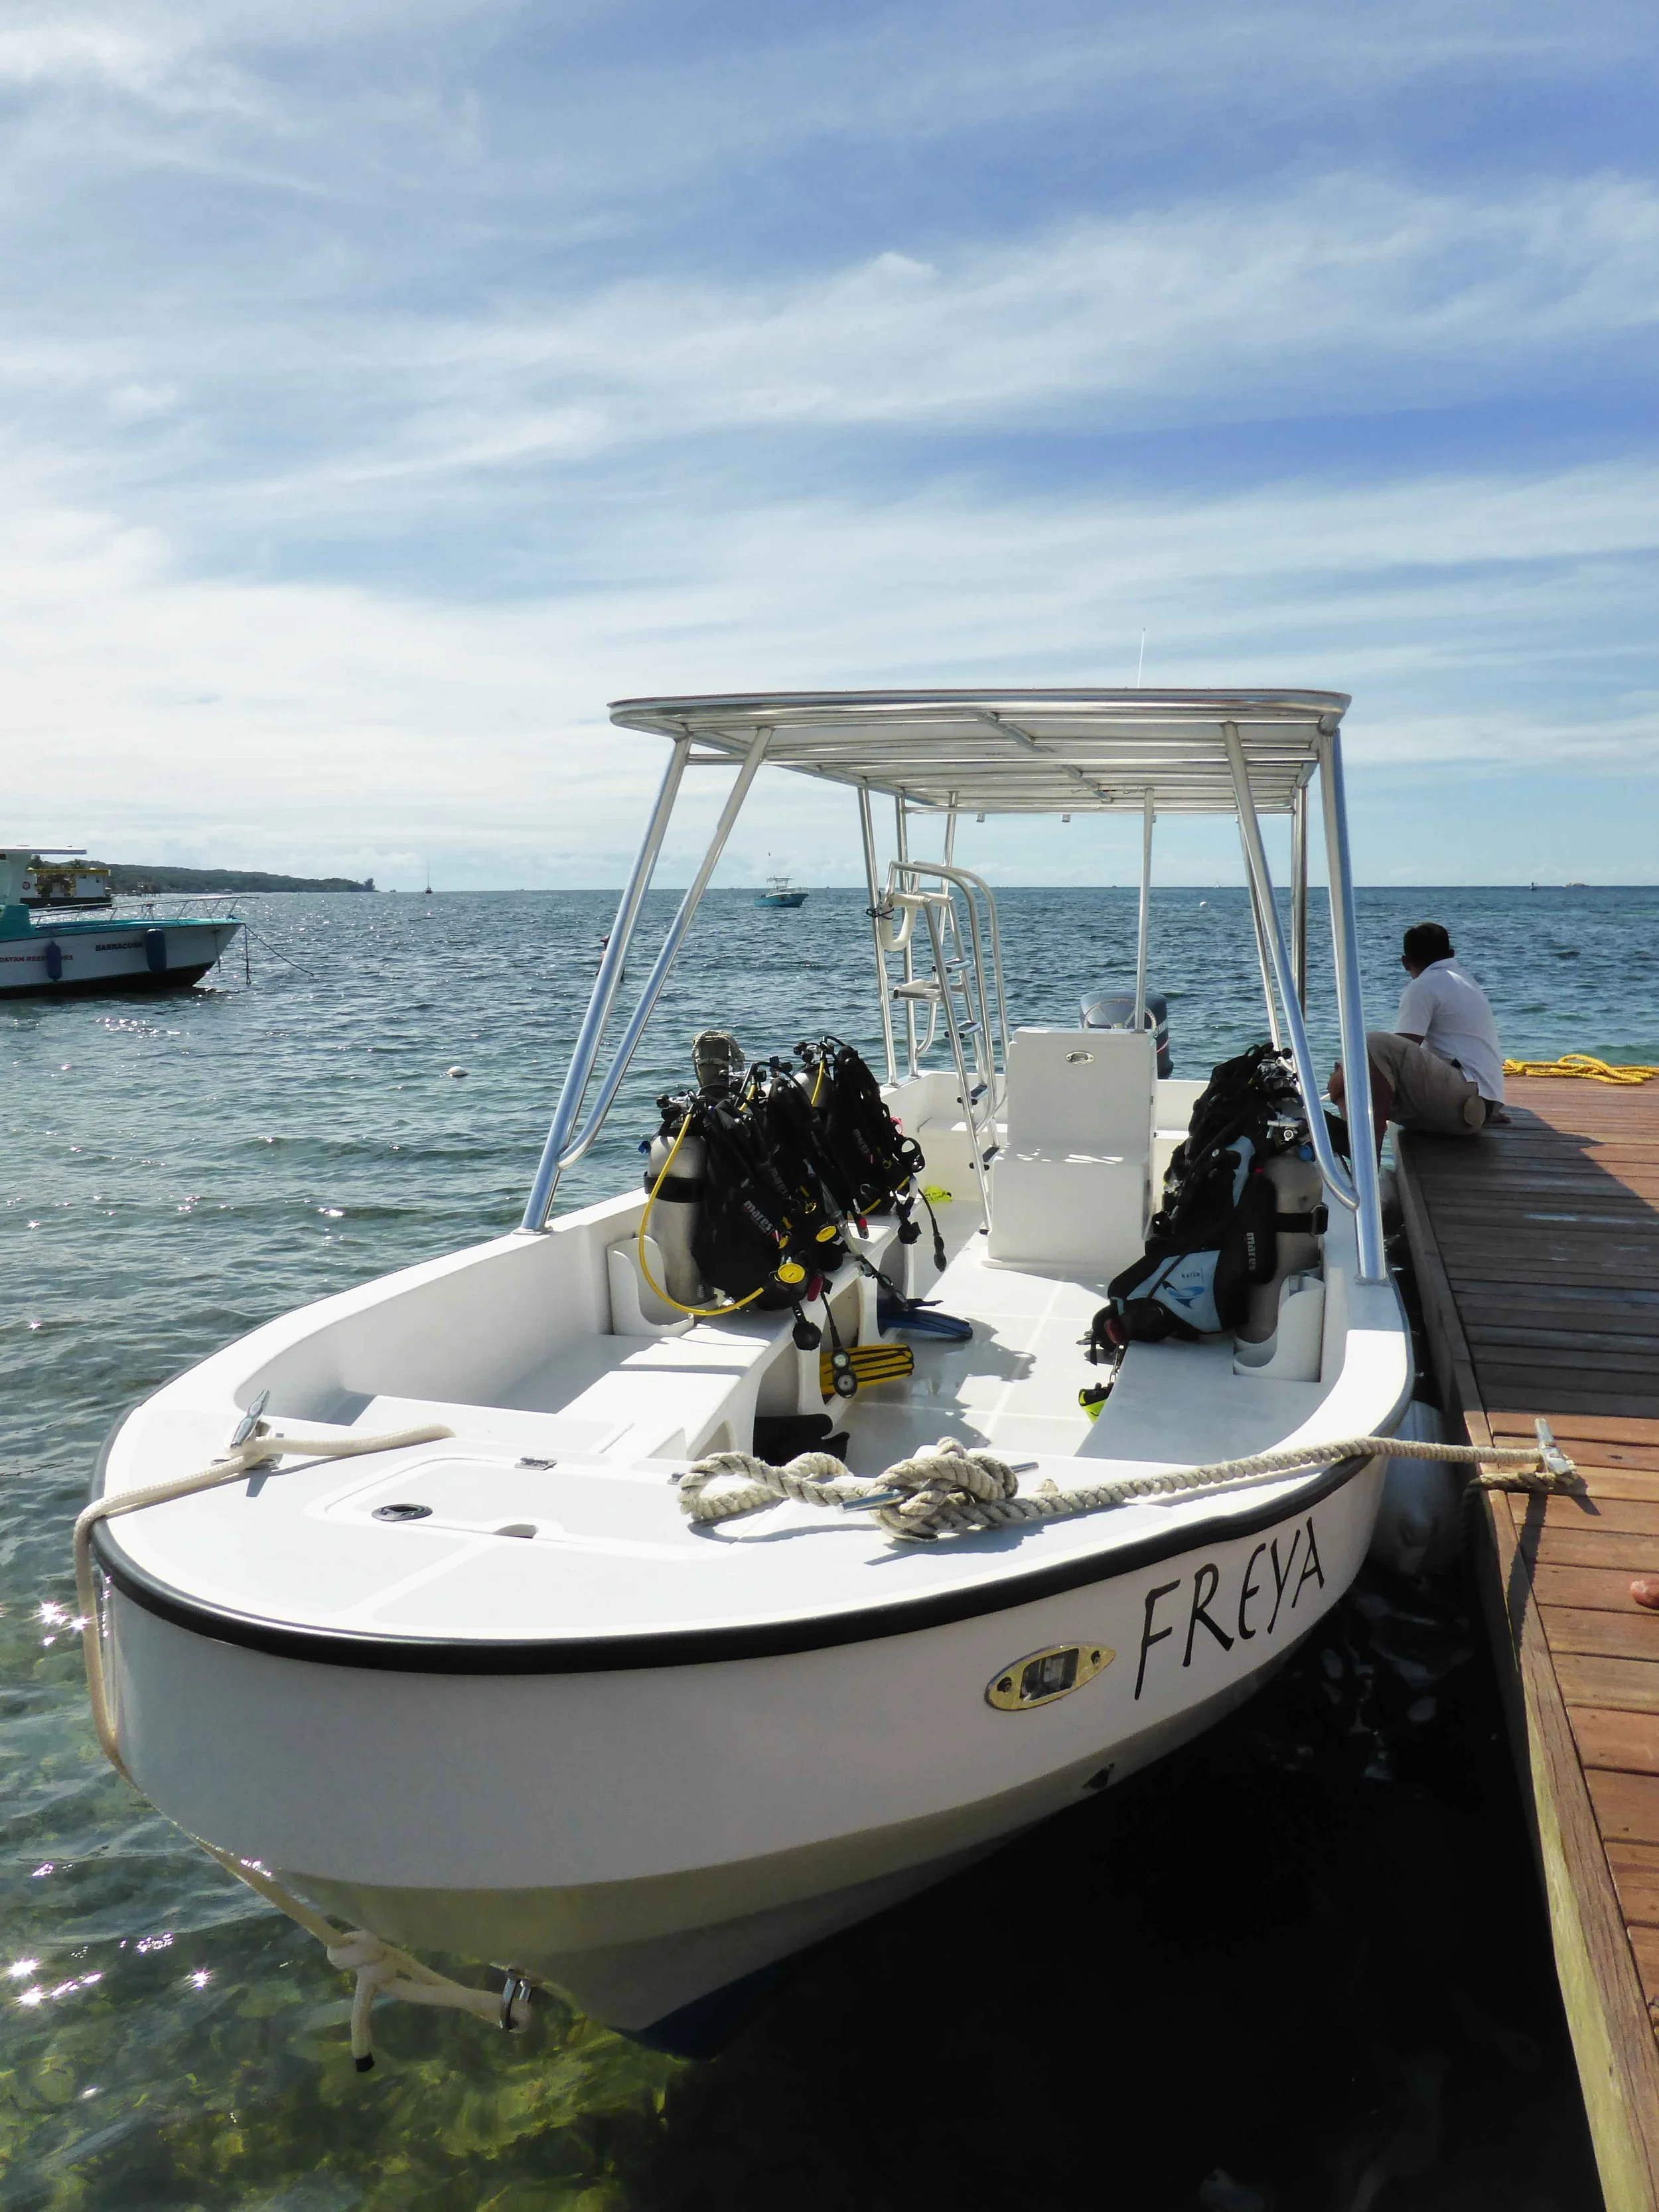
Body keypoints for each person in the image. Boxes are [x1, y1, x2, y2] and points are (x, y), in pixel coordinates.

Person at [1330, 922, 1508, 1144]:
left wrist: (1341, 1077)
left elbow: (1399, 1047)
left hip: (1467, 1107)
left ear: (1405, 962)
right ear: (1451, 954)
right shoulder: (1464, 980)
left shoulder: (1424, 985)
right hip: (1478, 1107)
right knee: (1358, 1067)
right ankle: (1357, 1137)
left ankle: (1365, 1146)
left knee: (1371, 1045)